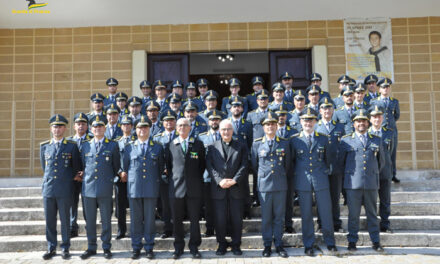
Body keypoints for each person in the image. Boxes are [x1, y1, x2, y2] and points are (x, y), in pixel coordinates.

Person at [337, 109, 386, 252]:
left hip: (371, 183)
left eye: (364, 121)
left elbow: (381, 162)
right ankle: (352, 241)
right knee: (353, 215)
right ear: (353, 124)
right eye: (358, 121)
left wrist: (372, 174)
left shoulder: (376, 139)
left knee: (372, 214)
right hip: (353, 184)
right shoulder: (346, 140)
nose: (361, 123)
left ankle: (376, 242)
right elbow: (341, 163)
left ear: (368, 122)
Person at [290, 108, 337, 256]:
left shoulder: (323, 138)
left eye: (310, 120)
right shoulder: (295, 140)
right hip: (303, 180)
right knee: (306, 214)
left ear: (315, 121)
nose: (308, 123)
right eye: (305, 120)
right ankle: (308, 244)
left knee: (326, 213)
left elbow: (328, 159)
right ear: (300, 121)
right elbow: (292, 161)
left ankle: (330, 242)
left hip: (320, 179)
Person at [120, 115, 165, 260]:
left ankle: (149, 247)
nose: (142, 130)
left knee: (150, 220)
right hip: (134, 188)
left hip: (151, 187)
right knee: (136, 220)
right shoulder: (129, 148)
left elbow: (160, 168)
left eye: (145, 127)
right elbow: (124, 167)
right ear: (135, 129)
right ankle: (136, 247)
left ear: (149, 129)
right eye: (139, 127)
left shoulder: (157, 147)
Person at [79, 115, 121, 260]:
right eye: (95, 127)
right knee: (89, 221)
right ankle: (91, 247)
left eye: (100, 126)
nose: (97, 129)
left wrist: (112, 181)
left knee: (106, 220)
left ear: (105, 128)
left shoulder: (112, 145)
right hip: (88, 189)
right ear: (91, 129)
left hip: (105, 188)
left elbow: (116, 167)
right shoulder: (85, 145)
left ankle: (106, 247)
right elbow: (82, 166)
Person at [40, 114, 81, 260]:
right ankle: (51, 247)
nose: (57, 129)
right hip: (49, 189)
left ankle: (65, 247)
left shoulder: (71, 146)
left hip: (65, 189)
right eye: (55, 127)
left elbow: (76, 168)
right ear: (51, 129)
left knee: (65, 220)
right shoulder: (44, 147)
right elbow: (45, 169)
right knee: (50, 221)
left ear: (65, 128)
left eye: (60, 126)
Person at [165, 118, 206, 259]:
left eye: (185, 125)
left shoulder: (198, 144)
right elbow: (169, 168)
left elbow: (202, 166)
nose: (183, 128)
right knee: (176, 220)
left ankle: (194, 247)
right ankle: (178, 248)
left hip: (194, 189)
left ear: (190, 128)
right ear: (176, 128)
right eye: (180, 125)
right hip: (176, 189)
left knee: (195, 220)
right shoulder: (170, 145)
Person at [251, 112, 291, 258]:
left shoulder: (284, 142)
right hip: (264, 186)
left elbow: (287, 165)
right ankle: (267, 245)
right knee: (266, 217)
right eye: (267, 124)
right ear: (263, 126)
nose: (270, 127)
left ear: (276, 125)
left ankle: (279, 244)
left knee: (279, 217)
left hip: (280, 184)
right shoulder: (257, 143)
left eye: (273, 124)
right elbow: (255, 165)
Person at [206, 119, 248, 256]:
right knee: (220, 218)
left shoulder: (241, 146)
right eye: (223, 129)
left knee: (237, 218)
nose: (226, 132)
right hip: (219, 188)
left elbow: (244, 165)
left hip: (236, 188)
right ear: (219, 131)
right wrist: (219, 181)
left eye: (228, 129)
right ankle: (221, 244)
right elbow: (210, 166)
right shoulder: (212, 147)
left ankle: (236, 244)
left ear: (232, 131)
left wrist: (235, 180)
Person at [315, 97, 345, 232]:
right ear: (319, 110)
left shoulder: (340, 126)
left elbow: (344, 147)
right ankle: (321, 224)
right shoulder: (315, 126)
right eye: (324, 108)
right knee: (321, 198)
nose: (326, 110)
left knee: (335, 197)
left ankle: (336, 223)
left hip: (335, 167)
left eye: (329, 108)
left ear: (333, 110)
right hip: (320, 168)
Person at [66, 113, 93, 239]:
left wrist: (85, 173)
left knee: (87, 203)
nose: (81, 126)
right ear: (74, 126)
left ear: (87, 126)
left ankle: (90, 227)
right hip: (72, 178)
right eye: (78, 124)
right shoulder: (69, 141)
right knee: (72, 202)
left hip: (88, 178)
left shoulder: (92, 139)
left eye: (83, 124)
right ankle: (72, 227)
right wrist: (74, 174)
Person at [368, 105, 395, 233]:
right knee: (371, 200)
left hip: (385, 171)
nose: (377, 119)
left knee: (385, 199)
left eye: (379, 116)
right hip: (371, 172)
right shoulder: (366, 133)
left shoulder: (389, 132)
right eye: (374, 117)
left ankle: (385, 223)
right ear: (370, 119)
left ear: (383, 117)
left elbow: (391, 152)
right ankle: (372, 223)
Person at [198, 111, 225, 238]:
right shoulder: (202, 137)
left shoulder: (224, 135)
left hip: (222, 176)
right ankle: (209, 228)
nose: (214, 122)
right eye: (212, 120)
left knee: (222, 205)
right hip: (207, 176)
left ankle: (223, 227)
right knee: (208, 205)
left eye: (217, 119)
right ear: (208, 122)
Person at [153, 110, 178, 239]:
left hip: (177, 176)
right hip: (163, 176)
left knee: (177, 203)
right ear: (162, 123)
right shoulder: (157, 137)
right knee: (165, 204)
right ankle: (167, 229)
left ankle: (178, 229)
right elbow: (155, 157)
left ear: (175, 121)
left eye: (171, 120)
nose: (169, 122)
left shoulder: (180, 136)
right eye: (166, 120)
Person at [370, 78, 400, 183]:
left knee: (392, 153)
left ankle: (393, 174)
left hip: (391, 131)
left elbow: (396, 115)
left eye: (387, 87)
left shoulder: (394, 101)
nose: (386, 89)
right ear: (379, 90)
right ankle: (380, 173)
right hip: (379, 130)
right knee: (380, 153)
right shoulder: (374, 102)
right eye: (383, 87)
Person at [114, 116, 136, 240]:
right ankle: (121, 230)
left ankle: (136, 229)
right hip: (120, 178)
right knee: (120, 206)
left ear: (132, 126)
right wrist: (120, 173)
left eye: (129, 124)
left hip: (134, 178)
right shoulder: (116, 142)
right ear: (121, 126)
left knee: (135, 205)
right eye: (124, 124)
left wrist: (130, 174)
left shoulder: (136, 140)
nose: (126, 126)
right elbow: (114, 160)